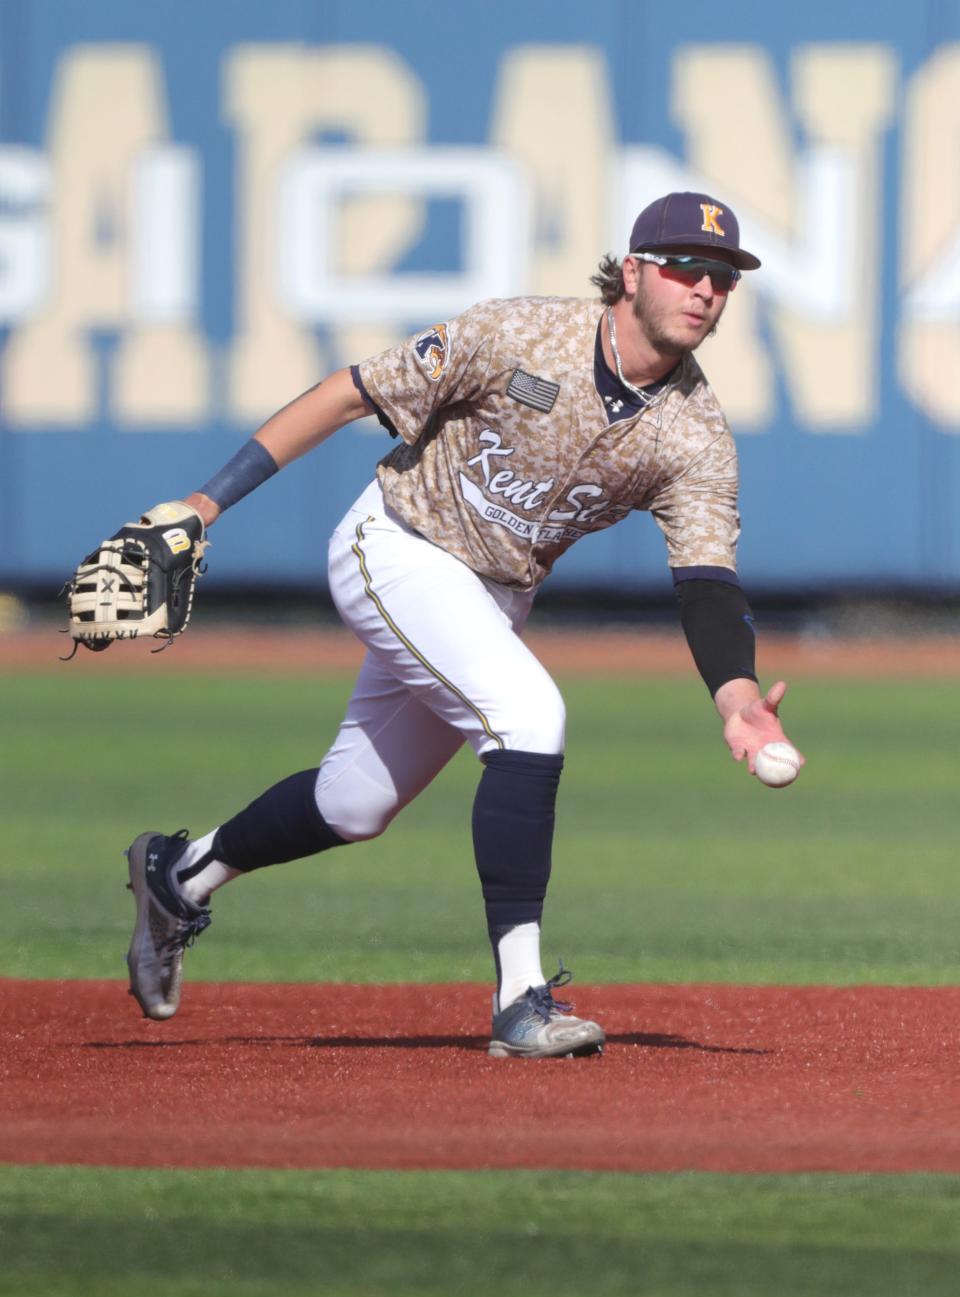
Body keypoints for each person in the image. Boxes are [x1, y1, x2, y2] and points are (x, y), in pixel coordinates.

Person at [125, 190, 803, 1059]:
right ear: (631, 273)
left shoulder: (694, 434)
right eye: (683, 267)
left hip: (490, 598)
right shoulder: (518, 335)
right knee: (530, 717)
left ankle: (178, 877)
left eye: (721, 277)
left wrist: (736, 699)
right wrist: (202, 503)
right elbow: (348, 394)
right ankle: (520, 999)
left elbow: (707, 580)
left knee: (353, 804)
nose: (704, 289)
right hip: (395, 547)